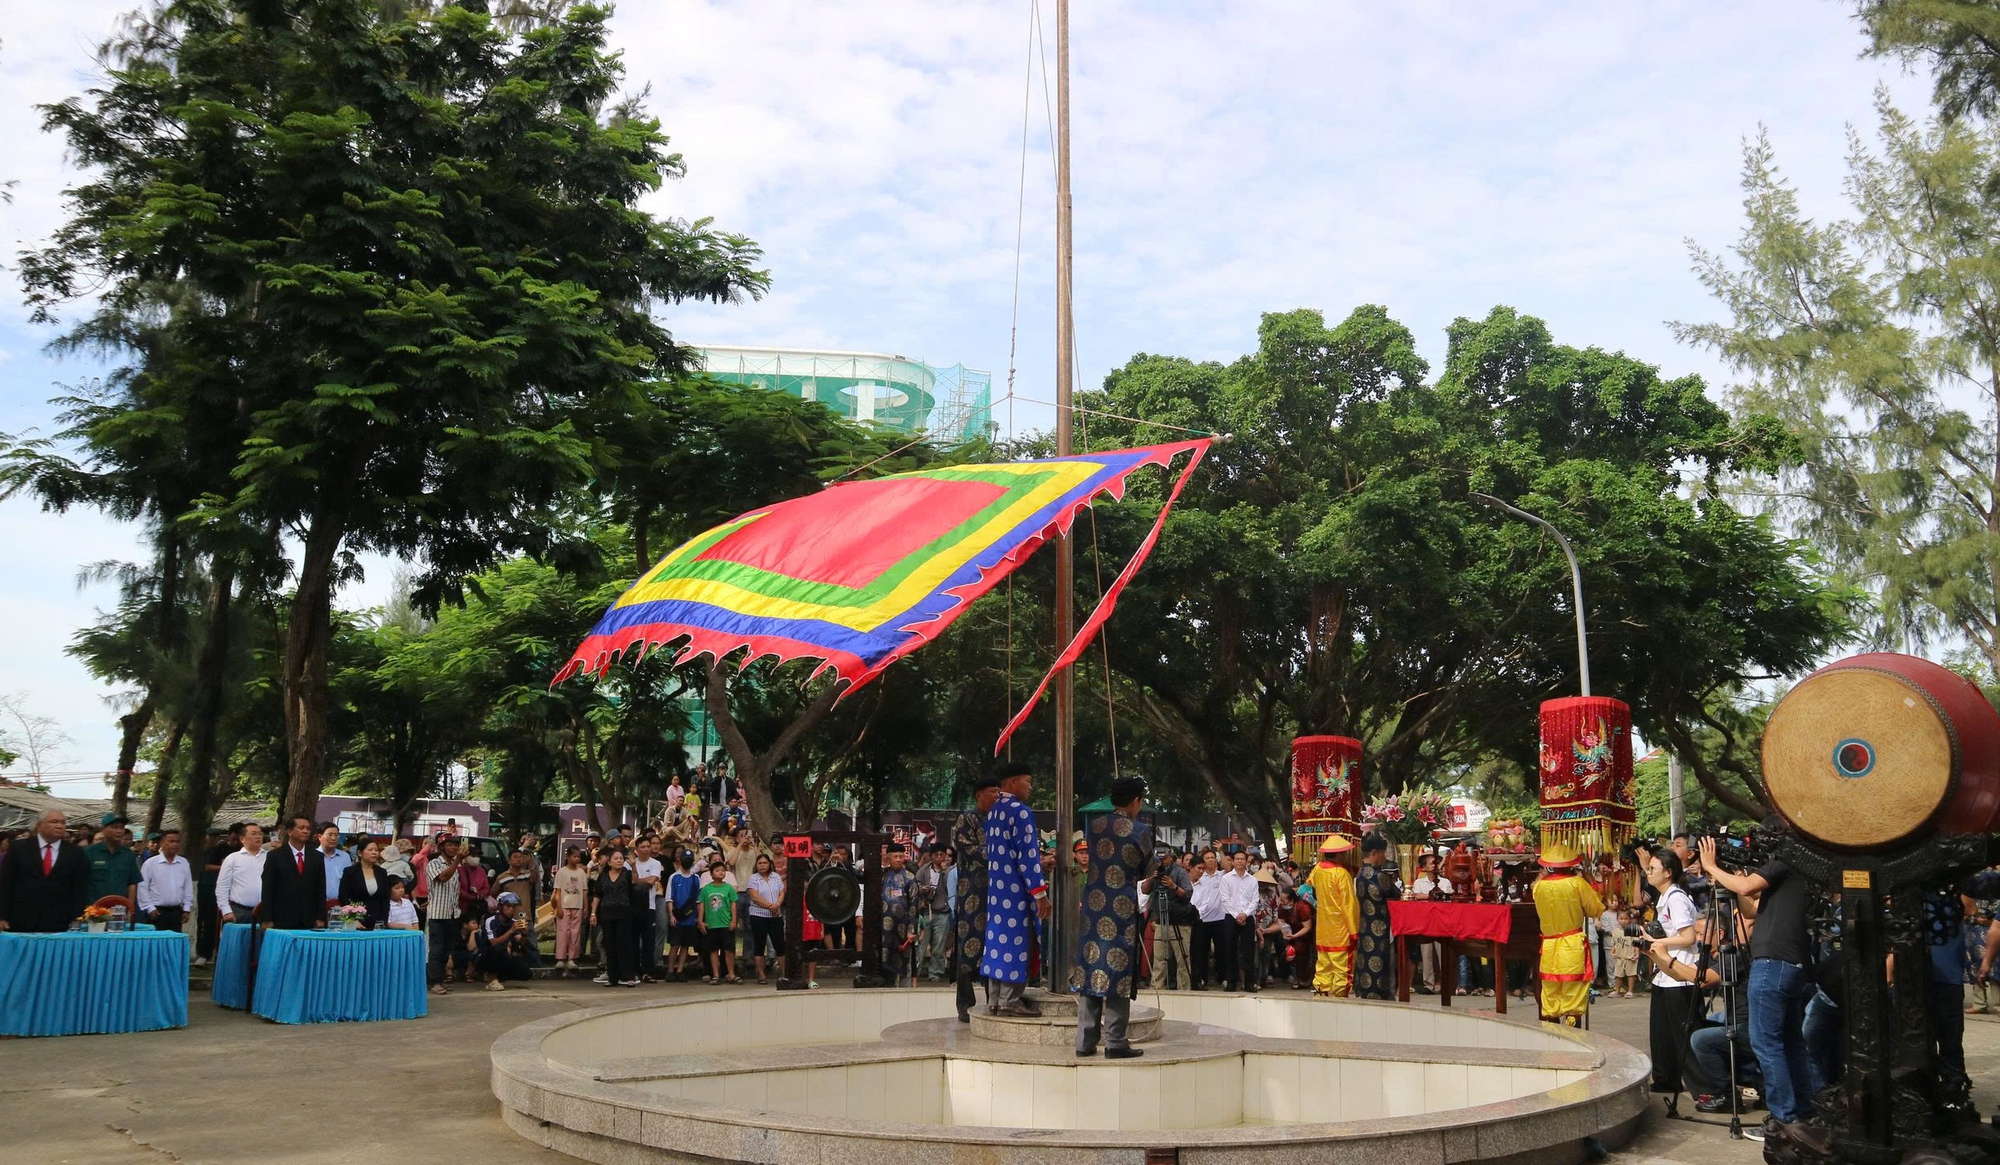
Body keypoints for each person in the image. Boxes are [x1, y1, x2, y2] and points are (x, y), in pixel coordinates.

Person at [1699, 826, 1821, 1140]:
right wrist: (1734, 879)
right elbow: (1751, 905)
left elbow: (1747, 886)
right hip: (1792, 963)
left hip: (1773, 963)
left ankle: (1783, 1120)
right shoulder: (1799, 866)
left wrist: (1713, 867)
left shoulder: (1786, 856)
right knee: (1791, 1043)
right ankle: (1804, 1114)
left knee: (1766, 1043)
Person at [1072, 775, 1154, 1059]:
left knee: (1091, 969)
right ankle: (1116, 1041)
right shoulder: (1140, 830)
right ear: (1135, 801)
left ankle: (1085, 1041)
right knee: (1118, 973)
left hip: (1094, 909)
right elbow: (1147, 871)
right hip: (1121, 911)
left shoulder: (1093, 827)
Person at [982, 762, 1050, 1017]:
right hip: (1017, 892)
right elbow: (1028, 857)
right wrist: (1040, 893)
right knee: (1017, 941)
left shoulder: (993, 812)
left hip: (997, 892)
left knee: (997, 941)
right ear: (1012, 783)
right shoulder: (1020, 812)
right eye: (1027, 781)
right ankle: (1010, 1000)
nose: (1030, 787)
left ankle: (995, 999)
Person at [1641, 849, 1700, 1105]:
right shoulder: (1664, 896)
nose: (1649, 872)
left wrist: (1657, 941)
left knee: (1683, 1033)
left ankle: (1701, 1084)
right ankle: (1666, 1078)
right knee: (1661, 1032)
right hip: (1665, 973)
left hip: (1681, 973)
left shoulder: (1676, 898)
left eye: (1653, 868)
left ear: (1668, 872)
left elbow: (1689, 937)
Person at [1531, 840, 1604, 1026]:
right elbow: (1595, 909)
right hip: (1571, 943)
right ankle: (1574, 1032)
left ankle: (1552, 1029)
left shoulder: (1538, 886)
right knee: (1573, 992)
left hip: (1549, 946)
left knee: (1551, 990)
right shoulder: (1577, 883)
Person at [953, 774, 1001, 1021]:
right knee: (968, 946)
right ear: (979, 794)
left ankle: (994, 1000)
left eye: (998, 791)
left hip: (996, 891)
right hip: (971, 892)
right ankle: (965, 1004)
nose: (996, 795)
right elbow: (969, 850)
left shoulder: (999, 819)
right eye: (992, 791)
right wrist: (1001, 855)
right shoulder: (966, 819)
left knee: (993, 945)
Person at [0, 810, 91, 933]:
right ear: (39, 826)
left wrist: (77, 917)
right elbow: (6, 883)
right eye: (54, 822)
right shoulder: (18, 848)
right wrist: (2, 916)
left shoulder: (75, 852)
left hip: (59, 922)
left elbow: (79, 887)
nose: (60, 826)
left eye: (63, 823)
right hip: (20, 919)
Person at [1306, 836, 1360, 997]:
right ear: (1339, 854)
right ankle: (1339, 1001)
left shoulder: (1318, 869)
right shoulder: (1341, 873)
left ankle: (1320, 997)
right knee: (1342, 968)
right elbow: (1348, 904)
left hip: (1323, 928)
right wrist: (1354, 930)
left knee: (1323, 966)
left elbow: (1308, 886)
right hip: (1340, 929)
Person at [1353, 833, 1401, 999]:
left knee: (1364, 966)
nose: (1384, 857)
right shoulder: (1380, 876)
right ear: (1374, 852)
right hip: (1382, 933)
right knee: (1383, 971)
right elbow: (1396, 894)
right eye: (1383, 852)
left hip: (1365, 929)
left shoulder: (1359, 875)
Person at [260, 815, 328, 930]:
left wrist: (321, 917)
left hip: (309, 918)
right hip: (282, 918)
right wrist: (267, 919)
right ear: (290, 831)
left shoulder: (317, 856)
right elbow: (268, 888)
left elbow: (321, 889)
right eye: (301, 828)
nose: (305, 831)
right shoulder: (275, 856)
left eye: (308, 828)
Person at [1148, 845, 1195, 991]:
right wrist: (1151, 878)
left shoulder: (1180, 872)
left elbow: (1188, 894)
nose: (1162, 862)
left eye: (1165, 858)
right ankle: (1156, 989)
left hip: (1179, 921)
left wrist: (1173, 886)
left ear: (1171, 857)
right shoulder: (1155, 872)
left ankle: (1184, 991)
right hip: (1161, 920)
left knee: (1182, 959)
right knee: (1159, 959)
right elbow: (1145, 890)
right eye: (1159, 859)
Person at [592, 848, 641, 987]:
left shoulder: (627, 874)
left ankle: (629, 976)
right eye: (616, 858)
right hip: (607, 913)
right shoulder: (603, 875)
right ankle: (613, 977)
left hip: (624, 913)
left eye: (621, 858)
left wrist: (633, 866)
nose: (619, 860)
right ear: (609, 861)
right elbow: (597, 895)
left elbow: (635, 882)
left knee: (624, 945)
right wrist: (593, 913)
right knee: (610, 946)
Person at [425, 833, 467, 995]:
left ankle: (440, 979)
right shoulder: (434, 863)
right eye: (449, 845)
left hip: (451, 913)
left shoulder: (455, 867)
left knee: (446, 950)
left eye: (455, 845)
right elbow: (442, 877)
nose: (453, 848)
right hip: (437, 913)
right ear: (441, 847)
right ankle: (433, 981)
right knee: (436, 949)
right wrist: (457, 861)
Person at [1215, 850, 1260, 991]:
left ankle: (1249, 983)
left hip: (1248, 918)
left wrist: (1245, 914)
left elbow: (1255, 900)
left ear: (1246, 862)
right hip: (1230, 917)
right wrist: (1237, 915)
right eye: (1237, 859)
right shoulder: (1226, 879)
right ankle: (1231, 983)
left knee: (1249, 951)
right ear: (1233, 861)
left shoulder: (1253, 880)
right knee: (1230, 950)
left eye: (1242, 859)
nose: (1240, 861)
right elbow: (1225, 899)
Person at [195, 823, 240, 965]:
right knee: (209, 921)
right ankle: (204, 954)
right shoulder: (219, 848)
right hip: (213, 889)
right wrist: (227, 867)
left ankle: (225, 953)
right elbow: (208, 866)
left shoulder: (242, 850)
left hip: (236, 891)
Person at [137, 828, 195, 933]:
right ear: (162, 843)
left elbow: (187, 888)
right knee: (155, 945)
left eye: (177, 842)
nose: (175, 844)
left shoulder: (183, 863)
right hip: (157, 912)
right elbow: (142, 888)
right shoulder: (150, 864)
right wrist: (150, 908)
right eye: (171, 841)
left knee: (173, 944)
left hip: (176, 912)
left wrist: (186, 908)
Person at [82, 814, 143, 911]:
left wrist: (130, 907)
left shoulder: (128, 855)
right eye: (115, 827)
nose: (119, 831)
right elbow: (81, 882)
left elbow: (132, 883)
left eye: (122, 828)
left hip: (119, 910)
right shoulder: (89, 853)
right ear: (103, 829)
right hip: (94, 910)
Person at [478, 892, 535, 990]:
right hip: (486, 955)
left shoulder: (513, 922)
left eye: (513, 907)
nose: (511, 910)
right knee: (498, 948)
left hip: (505, 954)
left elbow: (520, 941)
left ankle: (500, 976)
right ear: (500, 907)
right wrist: (511, 931)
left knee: (526, 974)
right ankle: (491, 978)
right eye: (508, 906)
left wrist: (524, 934)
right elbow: (493, 942)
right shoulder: (490, 920)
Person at [745, 852, 785, 984]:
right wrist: (770, 906)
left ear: (769, 864)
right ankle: (761, 974)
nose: (762, 865)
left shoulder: (776, 877)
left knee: (779, 944)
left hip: (775, 916)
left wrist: (777, 904)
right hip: (758, 915)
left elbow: (781, 892)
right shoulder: (753, 879)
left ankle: (784, 974)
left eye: (765, 863)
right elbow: (755, 897)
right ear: (756, 866)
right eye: (760, 863)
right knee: (759, 945)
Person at [215, 822, 266, 925]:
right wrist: (226, 911)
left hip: (265, 912)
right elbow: (222, 887)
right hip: (239, 911)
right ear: (242, 839)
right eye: (253, 834)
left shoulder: (270, 857)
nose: (258, 836)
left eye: (260, 833)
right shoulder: (233, 858)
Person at [1190, 849, 1226, 990]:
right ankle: (1202, 978)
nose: (1211, 860)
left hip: (1220, 918)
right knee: (1202, 951)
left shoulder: (1222, 875)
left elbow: (1228, 868)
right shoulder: (1200, 877)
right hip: (1202, 920)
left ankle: (1222, 977)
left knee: (1221, 950)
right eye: (1207, 858)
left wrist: (1220, 851)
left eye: (1213, 857)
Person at [699, 859, 740, 984]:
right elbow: (702, 905)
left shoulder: (728, 888)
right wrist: (700, 920)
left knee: (729, 950)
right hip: (712, 924)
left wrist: (734, 920)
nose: (721, 872)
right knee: (713, 950)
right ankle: (715, 975)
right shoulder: (706, 889)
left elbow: (733, 905)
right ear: (711, 874)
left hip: (726, 923)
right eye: (717, 870)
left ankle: (731, 974)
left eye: (723, 870)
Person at [338, 838, 394, 929]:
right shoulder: (350, 872)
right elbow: (343, 897)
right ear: (360, 853)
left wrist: (383, 921)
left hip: (377, 922)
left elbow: (385, 899)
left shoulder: (382, 872)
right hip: (357, 922)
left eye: (376, 850)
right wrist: (352, 920)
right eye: (370, 850)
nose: (374, 852)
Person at [916, 846, 953, 981]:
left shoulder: (949, 871)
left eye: (941, 854)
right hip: (926, 911)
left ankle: (935, 973)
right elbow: (915, 885)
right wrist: (922, 889)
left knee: (939, 946)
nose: (939, 857)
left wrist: (945, 871)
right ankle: (916, 972)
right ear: (931, 856)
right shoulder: (923, 870)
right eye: (936, 854)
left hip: (942, 912)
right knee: (921, 944)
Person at [667, 850, 704, 980]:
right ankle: (670, 970)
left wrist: (699, 918)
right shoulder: (674, 877)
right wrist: (671, 915)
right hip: (677, 917)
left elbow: (699, 900)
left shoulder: (696, 878)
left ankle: (680, 970)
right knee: (674, 945)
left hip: (690, 918)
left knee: (685, 945)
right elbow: (669, 898)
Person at [631, 838, 662, 981]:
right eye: (642, 846)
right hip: (633, 907)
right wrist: (637, 877)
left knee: (649, 941)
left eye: (648, 846)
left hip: (649, 906)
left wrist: (638, 881)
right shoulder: (630, 864)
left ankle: (648, 971)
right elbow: (630, 881)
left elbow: (651, 881)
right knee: (633, 941)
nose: (646, 849)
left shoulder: (655, 863)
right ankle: (635, 970)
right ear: (637, 848)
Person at [553, 846, 589, 970]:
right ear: (568, 857)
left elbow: (584, 891)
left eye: (578, 856)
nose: (577, 859)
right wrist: (558, 907)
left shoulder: (581, 873)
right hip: (564, 906)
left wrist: (585, 906)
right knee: (563, 932)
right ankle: (560, 958)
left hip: (577, 905)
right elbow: (557, 891)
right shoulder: (561, 872)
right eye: (574, 856)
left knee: (575, 932)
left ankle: (572, 958)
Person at [316, 823, 352, 912]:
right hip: (317, 904)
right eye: (330, 835)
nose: (333, 838)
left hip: (340, 905)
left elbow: (349, 882)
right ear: (320, 837)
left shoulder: (345, 857)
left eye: (336, 835)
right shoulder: (312, 856)